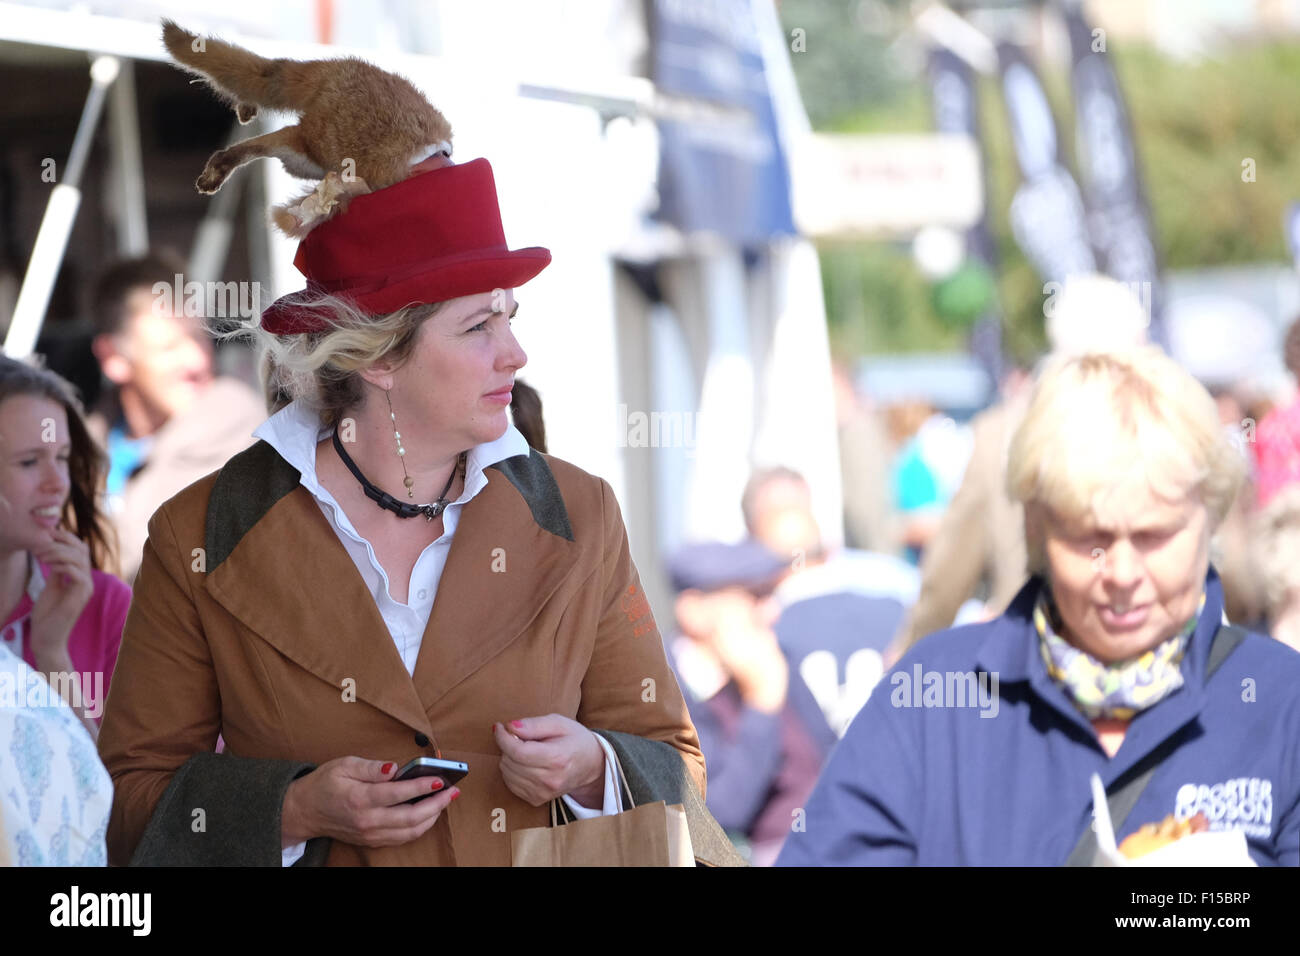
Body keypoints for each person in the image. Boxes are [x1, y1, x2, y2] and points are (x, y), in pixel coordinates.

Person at [97, 156, 717, 867]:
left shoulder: (581, 513)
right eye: (479, 327)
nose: (515, 354)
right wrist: (293, 809)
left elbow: (678, 768)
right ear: (380, 359)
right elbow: (129, 804)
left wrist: (593, 769)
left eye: (510, 318)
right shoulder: (201, 533)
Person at [778, 347, 1300, 865]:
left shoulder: (1283, 703)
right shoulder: (930, 699)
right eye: (1089, 538)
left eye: (1153, 536)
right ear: (1035, 525)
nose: (1122, 574)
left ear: (1210, 519)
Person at [894, 275, 1150, 654]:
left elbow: (947, 576)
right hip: (1146, 654)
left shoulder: (1002, 432)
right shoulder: (1167, 427)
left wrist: (908, 658)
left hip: (1030, 656)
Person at [88, 252, 266, 581]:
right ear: (112, 357)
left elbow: (143, 557)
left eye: (199, 337)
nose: (198, 361)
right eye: (169, 347)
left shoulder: (231, 419)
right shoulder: (84, 440)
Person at [664, 539, 834, 866]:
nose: (772, 612)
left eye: (770, 594)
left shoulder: (775, 658)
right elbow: (720, 814)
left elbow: (829, 758)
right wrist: (762, 702)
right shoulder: (662, 693)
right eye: (755, 596)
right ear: (694, 611)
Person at [0, 357, 130, 741]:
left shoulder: (104, 604)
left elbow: (107, 780)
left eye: (62, 458)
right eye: (29, 462)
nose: (58, 483)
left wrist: (53, 655)